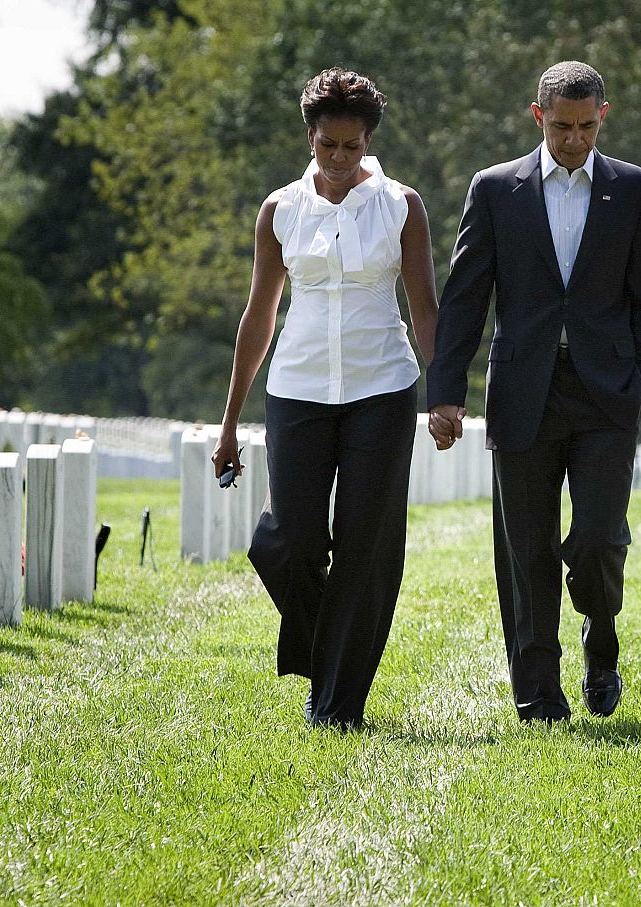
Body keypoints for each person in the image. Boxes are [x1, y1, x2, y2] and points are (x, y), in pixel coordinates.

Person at [426, 61, 641, 723]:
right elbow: (465, 298)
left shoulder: (636, 191)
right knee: (526, 549)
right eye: (561, 126)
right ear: (539, 118)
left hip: (605, 395)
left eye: (586, 126)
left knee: (597, 536)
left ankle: (602, 632)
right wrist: (444, 391)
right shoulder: (495, 190)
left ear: (603, 116)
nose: (574, 139)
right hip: (521, 390)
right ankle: (537, 692)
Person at [211, 68, 439, 729]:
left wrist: (444, 392)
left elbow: (424, 309)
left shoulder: (403, 205)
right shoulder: (279, 210)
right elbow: (259, 316)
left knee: (367, 547)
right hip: (298, 389)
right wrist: (229, 423)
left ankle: (337, 704)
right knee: (290, 541)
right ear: (310, 136)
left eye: (352, 146)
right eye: (327, 145)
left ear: (367, 141)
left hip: (383, 389)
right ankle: (323, 653)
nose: (339, 159)